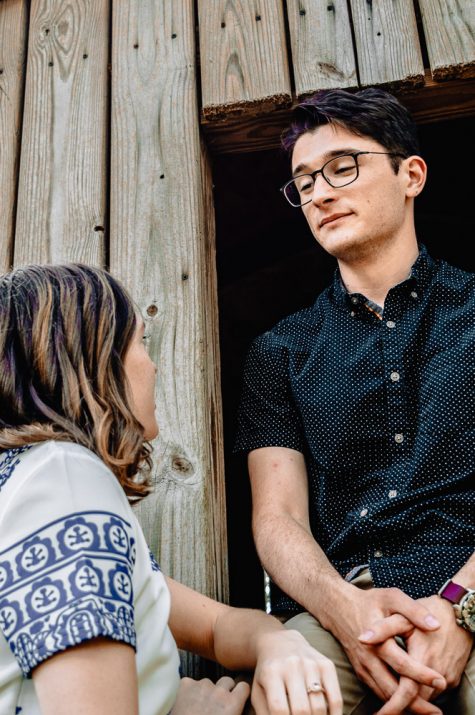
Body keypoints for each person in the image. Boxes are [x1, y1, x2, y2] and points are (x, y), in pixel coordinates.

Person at [0, 264, 344, 715]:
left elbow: (216, 626)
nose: (154, 363)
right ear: (95, 359)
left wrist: (276, 640)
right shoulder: (63, 481)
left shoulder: (31, 482)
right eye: (141, 341)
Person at [234, 88, 475, 715]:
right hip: (348, 598)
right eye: (304, 181)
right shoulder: (278, 351)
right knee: (287, 697)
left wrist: (461, 608)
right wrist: (346, 615)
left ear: (410, 175)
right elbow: (276, 519)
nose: (318, 192)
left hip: (469, 580)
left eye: (342, 166)